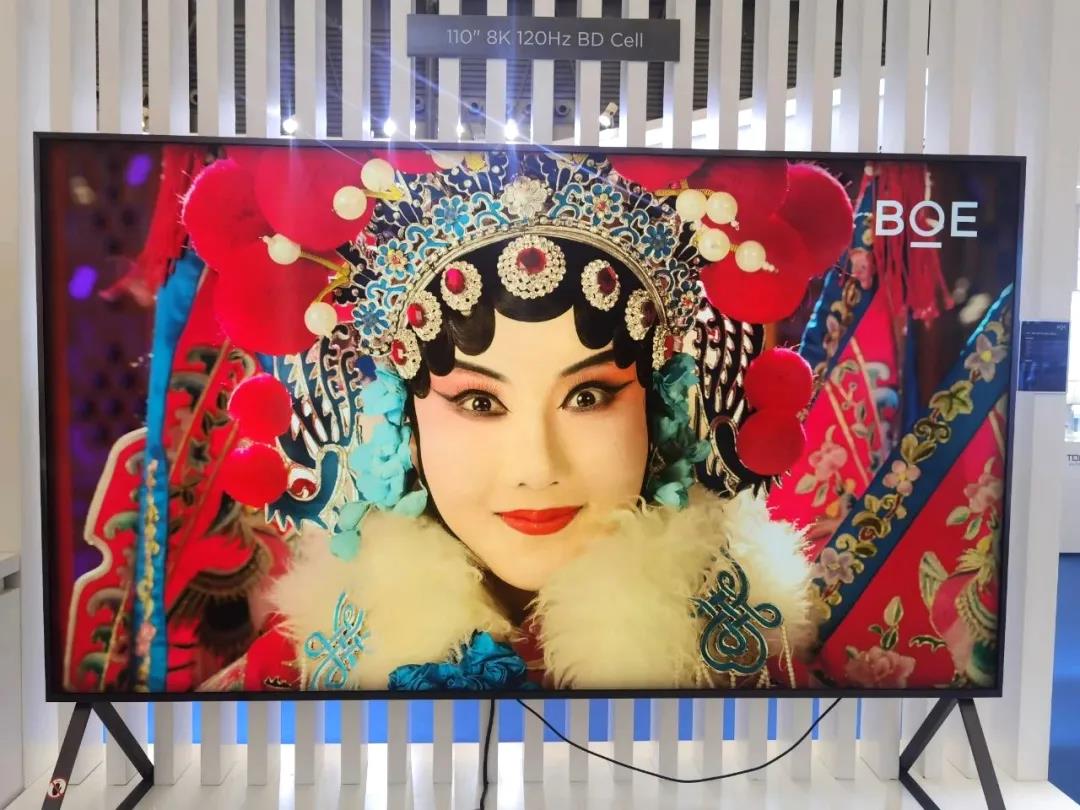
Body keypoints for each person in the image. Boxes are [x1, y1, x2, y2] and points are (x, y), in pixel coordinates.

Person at [190, 149, 855, 693]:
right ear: (402, 420)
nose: (537, 468)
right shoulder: (301, 677)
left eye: (588, 397)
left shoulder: (746, 671)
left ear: (657, 408)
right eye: (480, 403)